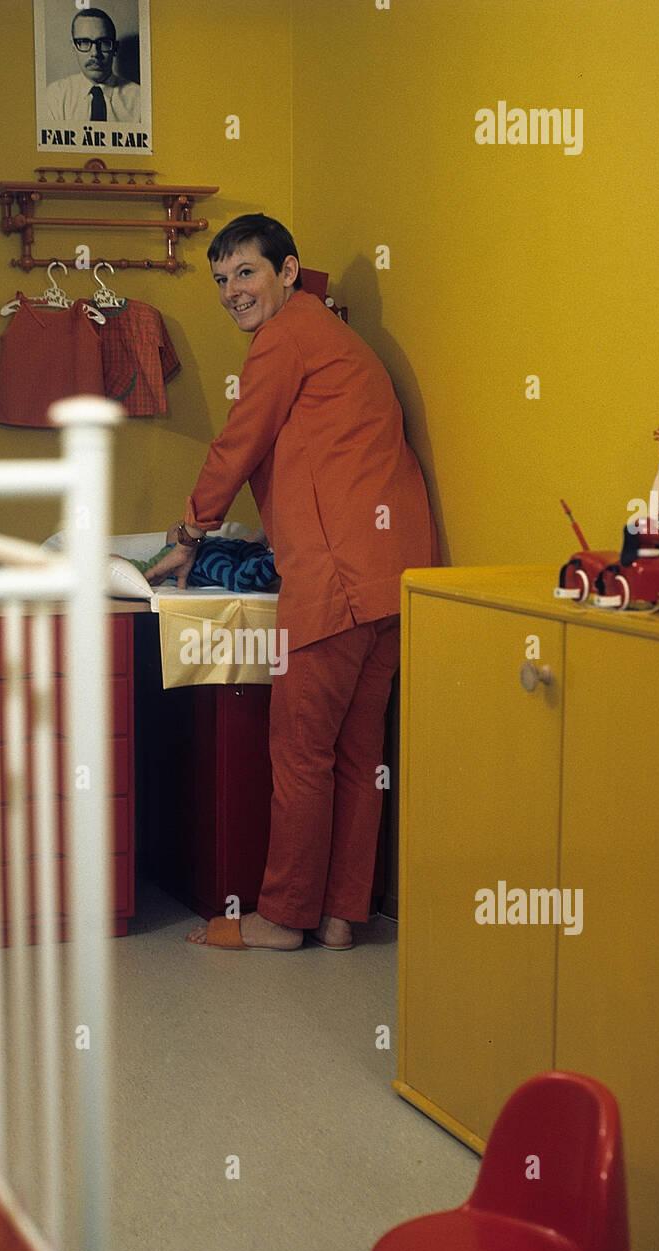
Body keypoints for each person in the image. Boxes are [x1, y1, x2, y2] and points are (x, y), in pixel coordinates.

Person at [147, 215, 439, 951]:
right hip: (398, 577)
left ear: (287, 270)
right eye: (219, 280)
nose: (230, 292)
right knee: (357, 755)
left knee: (301, 751)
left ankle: (281, 917)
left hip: (337, 579)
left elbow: (237, 442)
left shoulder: (286, 337)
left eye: (245, 273)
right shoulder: (334, 333)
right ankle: (343, 914)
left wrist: (188, 535)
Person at [43, 7, 141, 126]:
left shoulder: (139, 99)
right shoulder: (55, 96)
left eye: (104, 43)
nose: (95, 53)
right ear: (74, 47)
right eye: (84, 42)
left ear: (115, 48)